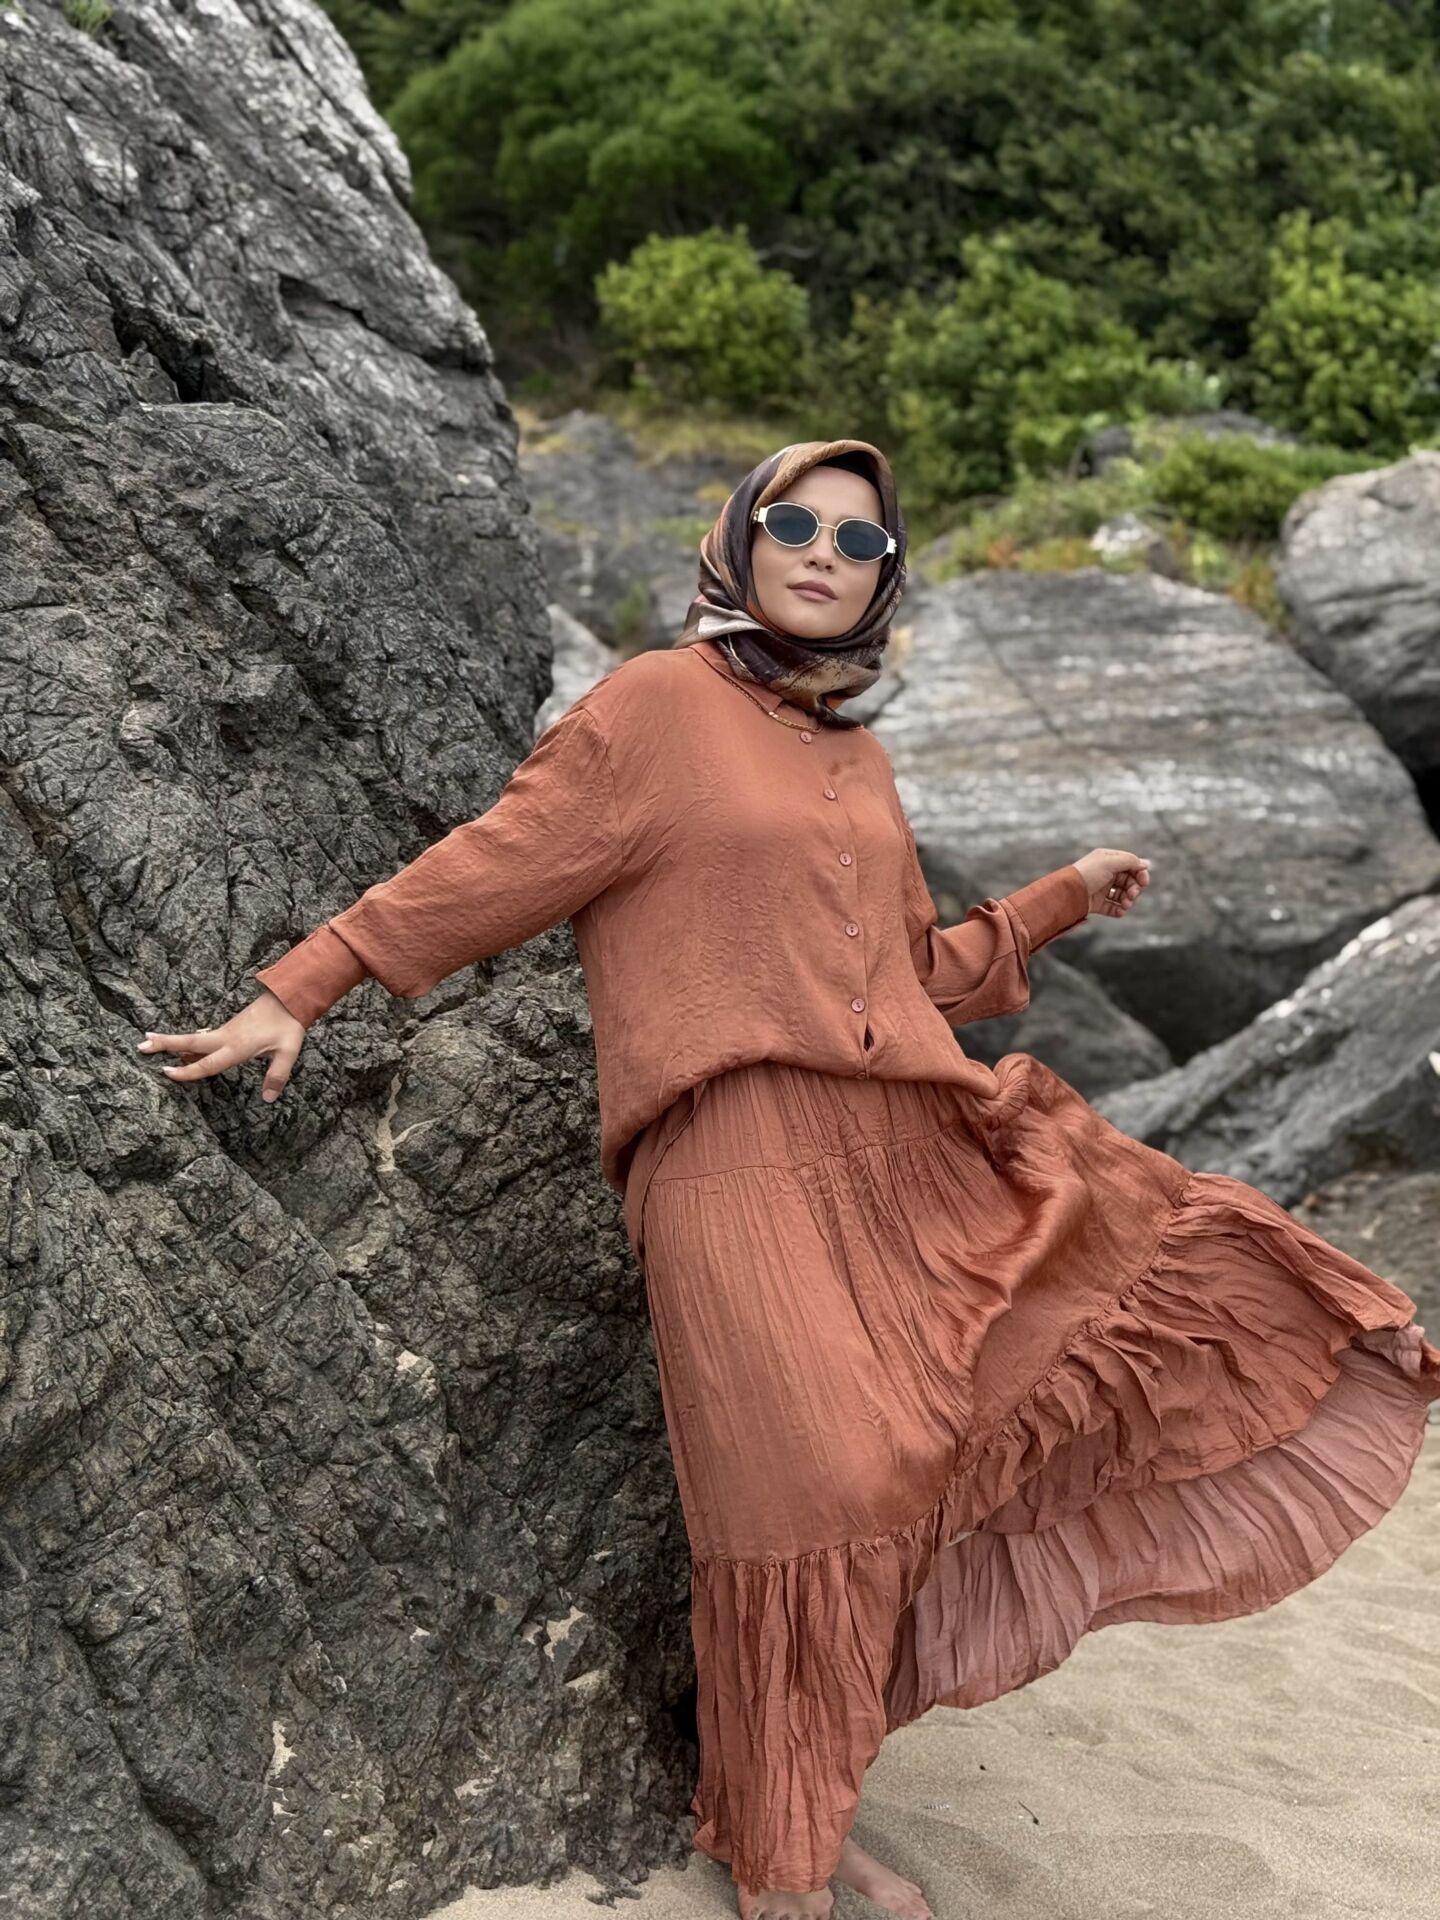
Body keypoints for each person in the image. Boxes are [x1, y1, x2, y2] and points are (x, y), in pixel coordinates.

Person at [137, 438, 1440, 1920]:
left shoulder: (857, 759)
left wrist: (1058, 901)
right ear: (741, 541)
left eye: (859, 541)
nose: (825, 553)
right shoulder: (653, 706)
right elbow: (498, 861)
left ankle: (795, 1830)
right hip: (729, 1155)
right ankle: (782, 1865)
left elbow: (909, 972)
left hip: (899, 1149)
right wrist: (300, 987)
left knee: (952, 1431)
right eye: (795, 523)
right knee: (807, 1494)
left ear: (885, 579)